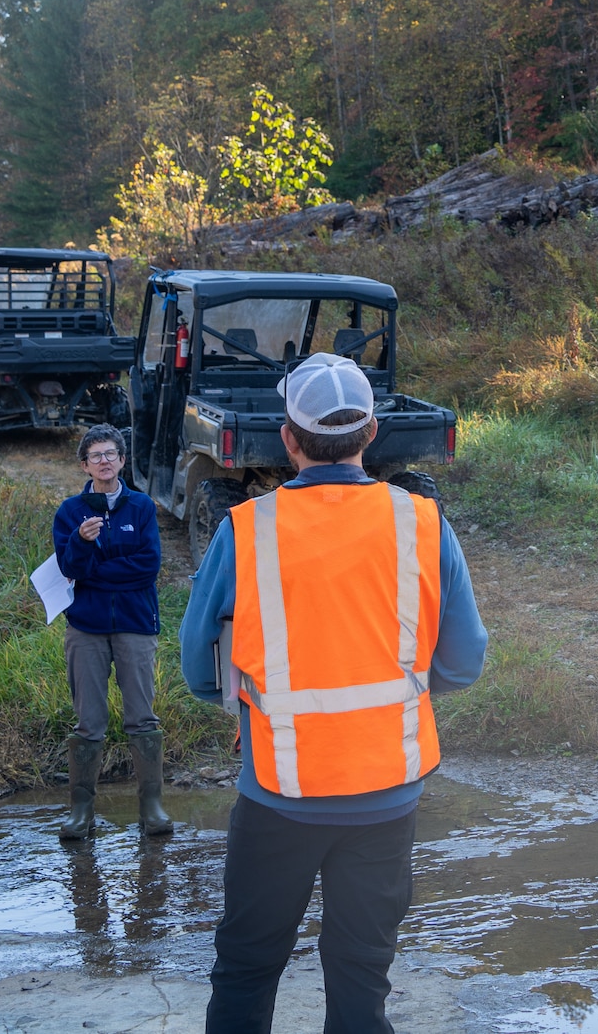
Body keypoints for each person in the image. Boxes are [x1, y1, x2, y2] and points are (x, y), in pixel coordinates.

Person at [180, 353, 488, 1033]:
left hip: (279, 792)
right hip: (387, 792)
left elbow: (200, 672)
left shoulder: (245, 530)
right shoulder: (424, 522)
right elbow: (464, 661)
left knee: (246, 969)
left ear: (287, 439)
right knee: (360, 972)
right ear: (372, 431)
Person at [52, 423, 167, 840]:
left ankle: (151, 808)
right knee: (89, 721)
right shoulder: (70, 512)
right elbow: (69, 569)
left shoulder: (142, 507)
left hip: (136, 625)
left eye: (111, 454)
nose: (104, 461)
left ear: (122, 460)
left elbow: (147, 567)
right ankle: (81, 812)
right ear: (84, 464)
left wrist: (95, 572)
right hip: (86, 627)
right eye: (95, 456)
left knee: (142, 716)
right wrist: (82, 544)